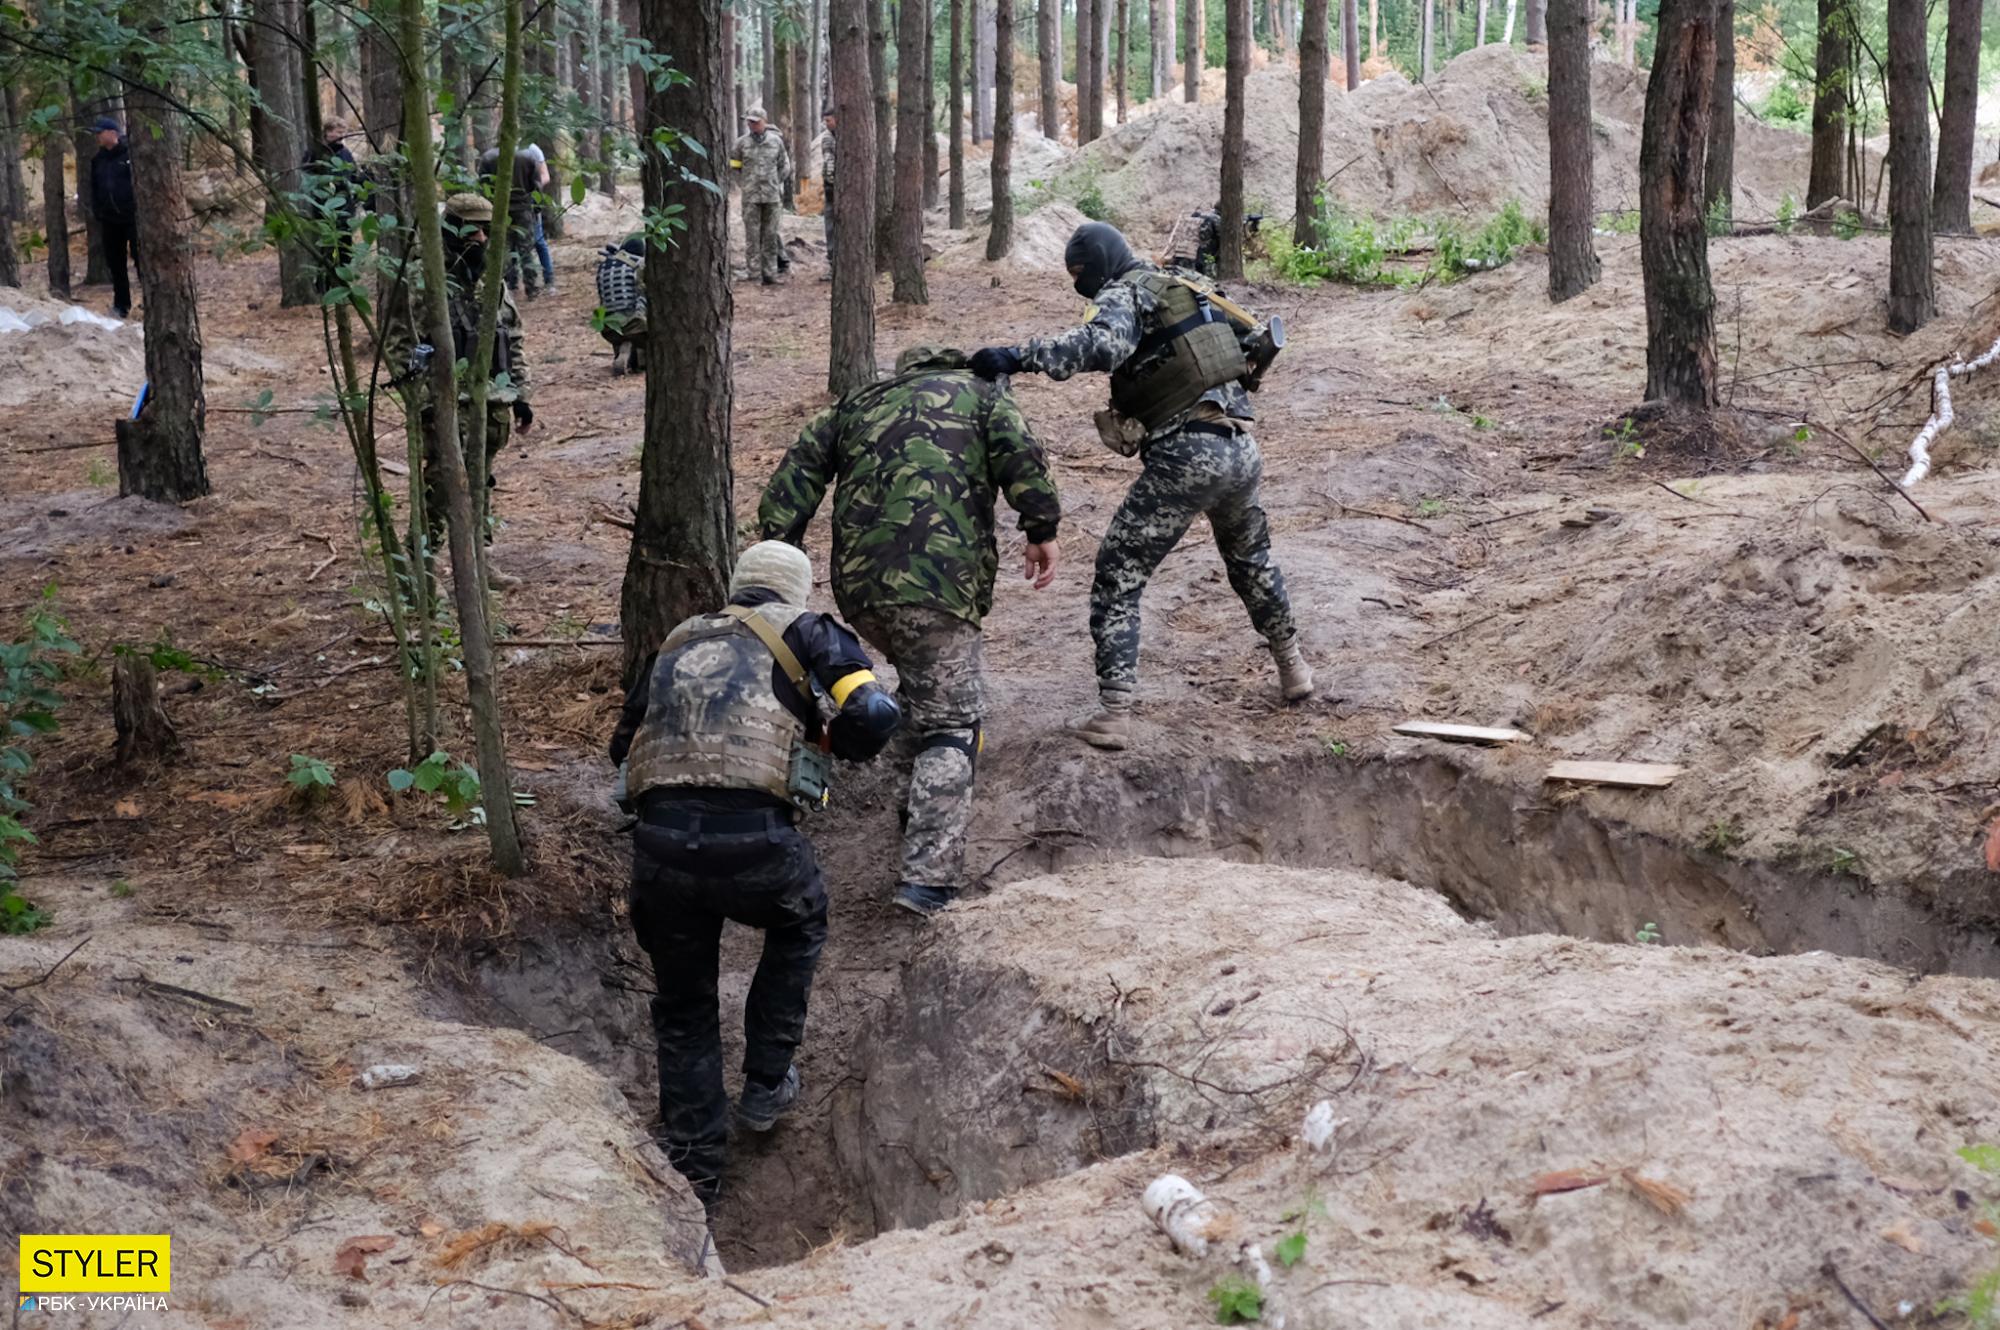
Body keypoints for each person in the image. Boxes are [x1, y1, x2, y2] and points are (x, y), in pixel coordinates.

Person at [608, 540, 901, 1210]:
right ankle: (767, 1082)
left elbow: (623, 748)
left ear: (737, 586)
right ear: (795, 592)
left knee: (683, 1007)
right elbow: (874, 715)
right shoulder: (808, 631)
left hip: (660, 854)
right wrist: (831, 743)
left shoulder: (677, 643)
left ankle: (695, 1173)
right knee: (800, 920)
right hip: (755, 850)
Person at [967, 221, 1314, 750]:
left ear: (1100, 265)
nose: (1083, 288)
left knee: (1118, 575)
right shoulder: (1188, 285)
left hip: (1186, 454)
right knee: (1252, 561)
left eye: (1083, 277)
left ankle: (1115, 712)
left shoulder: (1124, 291)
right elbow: (1248, 348)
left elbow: (1102, 345)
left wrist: (1018, 356)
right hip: (1240, 447)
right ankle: (1294, 667)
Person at [759, 345, 1061, 917]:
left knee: (926, 696)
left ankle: (893, 790)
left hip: (862, 588)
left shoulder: (857, 403)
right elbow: (1021, 455)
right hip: (940, 585)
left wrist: (780, 549)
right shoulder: (983, 395)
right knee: (954, 722)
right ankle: (928, 881)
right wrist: (1041, 526)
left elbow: (797, 471)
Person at [383, 193, 534, 585]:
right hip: (445, 404)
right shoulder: (423, 278)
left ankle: (480, 566)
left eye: (486, 229)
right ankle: (417, 570)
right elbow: (401, 343)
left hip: (491, 402)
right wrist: (422, 401)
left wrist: (521, 395)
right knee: (439, 491)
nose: (482, 238)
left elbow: (511, 335)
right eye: (472, 229)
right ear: (451, 230)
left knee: (481, 484)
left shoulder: (489, 275)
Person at [731, 107, 792, 285]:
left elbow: (784, 165)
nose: (752, 125)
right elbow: (735, 166)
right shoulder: (741, 143)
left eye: (756, 122)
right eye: (750, 122)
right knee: (752, 236)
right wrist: (744, 184)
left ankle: (770, 273)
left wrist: (775, 181)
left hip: (772, 197)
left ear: (764, 121)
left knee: (770, 235)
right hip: (750, 197)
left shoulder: (776, 142)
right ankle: (753, 272)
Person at [302, 119, 362, 294]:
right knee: (327, 246)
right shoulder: (315, 152)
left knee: (344, 246)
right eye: (337, 131)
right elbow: (307, 176)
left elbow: (353, 176)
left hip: (345, 210)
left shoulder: (346, 153)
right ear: (327, 132)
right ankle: (323, 284)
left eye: (343, 131)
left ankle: (341, 282)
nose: (340, 135)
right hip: (324, 209)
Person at [88, 117, 138, 319]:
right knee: (116, 265)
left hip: (132, 217)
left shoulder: (130, 155)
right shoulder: (97, 160)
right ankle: (121, 305)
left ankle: (152, 303)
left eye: (101, 132)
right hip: (109, 220)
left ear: (113, 133)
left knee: (141, 259)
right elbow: (93, 188)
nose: (98, 136)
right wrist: (98, 211)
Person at [478, 145, 543, 298]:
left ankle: (504, 288)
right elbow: (537, 185)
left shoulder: (488, 157)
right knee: (526, 250)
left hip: (499, 211)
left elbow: (482, 186)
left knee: (501, 249)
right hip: (523, 209)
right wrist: (537, 208)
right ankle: (531, 288)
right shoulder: (527, 156)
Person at [594, 232, 647, 375]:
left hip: (607, 327)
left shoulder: (603, 266)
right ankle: (641, 359)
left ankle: (622, 350)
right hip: (635, 324)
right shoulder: (638, 266)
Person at [523, 143, 556, 291]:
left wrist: (532, 188)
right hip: (513, 202)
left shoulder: (533, 149)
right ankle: (515, 283)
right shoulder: (503, 146)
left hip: (530, 201)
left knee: (538, 241)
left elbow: (545, 176)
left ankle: (549, 279)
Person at [811, 107, 836, 281]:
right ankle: (833, 264)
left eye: (829, 120)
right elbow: (828, 164)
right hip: (831, 188)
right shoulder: (827, 137)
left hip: (848, 190)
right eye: (825, 121)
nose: (826, 124)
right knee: (831, 228)